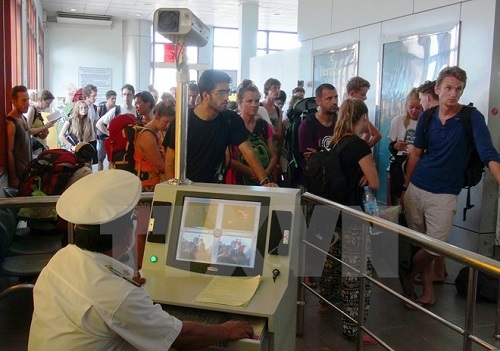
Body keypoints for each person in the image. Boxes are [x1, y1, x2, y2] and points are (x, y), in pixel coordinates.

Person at [28, 170, 254, 350]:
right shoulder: (118, 297)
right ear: (126, 233)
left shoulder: (61, 259)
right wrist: (225, 330)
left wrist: (124, 282)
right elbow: (182, 337)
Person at [401, 66, 500, 307]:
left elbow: (488, 153)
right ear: (437, 89)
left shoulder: (471, 118)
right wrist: (405, 187)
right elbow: (416, 153)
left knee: (434, 245)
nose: (453, 94)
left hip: (445, 193)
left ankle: (408, 274)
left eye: (458, 89)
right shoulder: (427, 117)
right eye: (448, 88)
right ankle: (427, 291)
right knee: (419, 241)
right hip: (417, 186)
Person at [318, 98, 379, 345]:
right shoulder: (358, 146)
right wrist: (366, 175)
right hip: (355, 214)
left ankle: (325, 302)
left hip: (331, 211)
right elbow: (374, 182)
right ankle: (353, 327)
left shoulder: (335, 141)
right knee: (355, 274)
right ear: (363, 118)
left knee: (331, 262)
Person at [163, 69, 277, 187]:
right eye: (221, 93)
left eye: (227, 92)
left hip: (216, 188)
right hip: (187, 188)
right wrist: (174, 192)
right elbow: (170, 161)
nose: (226, 97)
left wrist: (265, 181)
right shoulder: (183, 120)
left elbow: (248, 152)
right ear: (205, 95)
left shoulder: (230, 119)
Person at [415, 80, 447, 284]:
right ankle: (439, 271)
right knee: (440, 234)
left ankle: (417, 272)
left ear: (427, 97)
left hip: (431, 185)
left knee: (428, 234)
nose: (420, 104)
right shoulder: (449, 119)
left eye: (420, 99)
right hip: (447, 186)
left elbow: (419, 152)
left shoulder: (427, 119)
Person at [228, 80, 277, 185]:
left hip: (264, 179)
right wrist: (255, 173)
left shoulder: (263, 126)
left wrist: (266, 173)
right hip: (239, 181)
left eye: (257, 101)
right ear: (239, 102)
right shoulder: (232, 126)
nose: (254, 105)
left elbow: (273, 155)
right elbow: (229, 160)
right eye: (249, 101)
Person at [387, 88, 422, 205]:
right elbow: (392, 145)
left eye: (418, 108)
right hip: (398, 164)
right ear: (406, 105)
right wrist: (396, 146)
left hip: (417, 166)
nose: (414, 111)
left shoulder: (425, 122)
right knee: (396, 199)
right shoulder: (397, 120)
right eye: (411, 107)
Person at [6, 85, 31, 188]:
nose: (27, 104)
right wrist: (13, 177)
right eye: (23, 100)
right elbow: (9, 152)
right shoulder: (11, 123)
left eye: (28, 100)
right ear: (14, 102)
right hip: (19, 173)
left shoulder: (24, 119)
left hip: (27, 170)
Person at [346, 76, 382, 147]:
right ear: (352, 94)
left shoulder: (362, 110)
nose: (365, 97)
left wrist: (362, 151)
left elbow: (374, 134)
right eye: (363, 94)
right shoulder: (343, 110)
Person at [25, 90, 57, 158]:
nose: (48, 106)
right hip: (35, 146)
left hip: (40, 145)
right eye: (47, 103)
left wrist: (47, 126)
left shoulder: (37, 111)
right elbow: (28, 130)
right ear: (40, 99)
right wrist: (46, 126)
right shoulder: (32, 110)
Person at [96, 89, 117, 171]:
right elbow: (96, 123)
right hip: (102, 136)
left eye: (115, 98)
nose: (114, 100)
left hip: (113, 136)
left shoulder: (117, 109)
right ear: (107, 99)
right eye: (112, 98)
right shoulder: (100, 109)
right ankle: (99, 175)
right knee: (100, 158)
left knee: (112, 158)